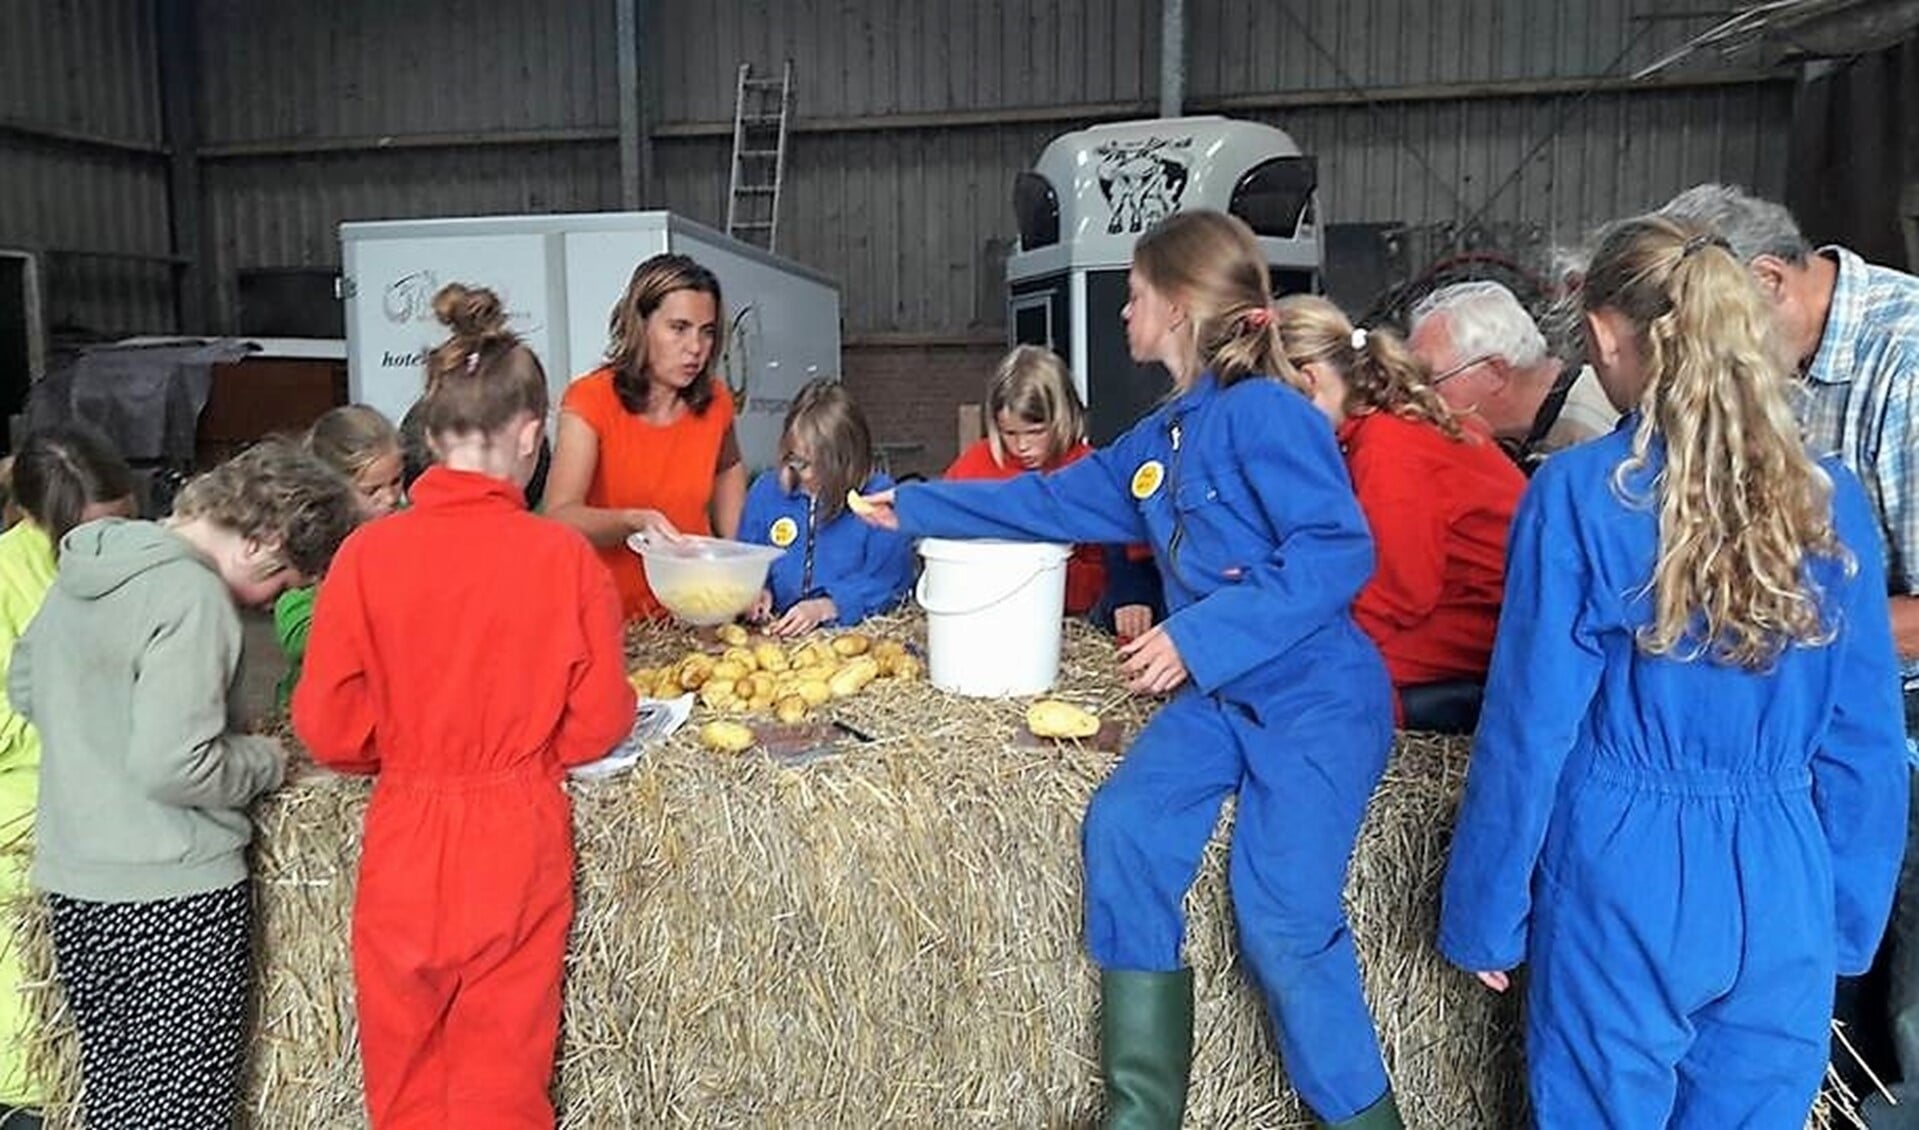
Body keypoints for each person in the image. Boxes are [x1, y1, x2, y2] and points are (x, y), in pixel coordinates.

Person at [855, 210, 1401, 1129]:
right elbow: (1045, 500)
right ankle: (1142, 1110)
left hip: (1313, 701)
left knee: (1281, 916)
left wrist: (1199, 636)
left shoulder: (1268, 413)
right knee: (1126, 828)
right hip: (1220, 703)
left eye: (1135, 296)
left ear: (1179, 309)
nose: (1123, 313)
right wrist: (911, 505)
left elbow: (1335, 550)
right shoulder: (1160, 440)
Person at [1438, 216, 1909, 1128]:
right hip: (1783, 869)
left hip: (1624, 861)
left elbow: (1531, 729)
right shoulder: (1826, 498)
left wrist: (1486, 910)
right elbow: (1864, 737)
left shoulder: (1576, 493)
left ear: (1610, 336)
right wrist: (1844, 913)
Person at [292, 283, 635, 1129]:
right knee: (502, 1076)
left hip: (405, 831)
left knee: (405, 1073)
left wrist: (411, 748)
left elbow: (329, 731)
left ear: (434, 439)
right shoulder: (561, 561)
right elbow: (599, 723)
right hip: (515, 833)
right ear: (530, 434)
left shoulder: (366, 558)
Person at [1661, 183, 1919, 1121]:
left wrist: (1758, 633)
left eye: (1692, 312)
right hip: (1788, 724)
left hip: (1896, 722)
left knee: (1887, 1012)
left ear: (1765, 281)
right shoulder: (1764, 372)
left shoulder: (1907, 362)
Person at [12, 438, 357, 1128]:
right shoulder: (192, 597)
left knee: (118, 1098)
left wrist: (101, 730)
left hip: (80, 885)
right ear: (262, 541)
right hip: (172, 892)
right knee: (186, 1108)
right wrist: (261, 757)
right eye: (283, 582)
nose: (270, 602)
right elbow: (175, 763)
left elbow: (25, 684)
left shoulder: (93, 561)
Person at [1277, 295, 1524, 735]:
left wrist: (1319, 641)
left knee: (1301, 679)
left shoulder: (1389, 446)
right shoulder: (1382, 420)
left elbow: (1401, 590)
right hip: (1462, 600)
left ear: (1309, 382)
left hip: (1486, 619)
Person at [0, 428, 135, 1129]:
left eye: (122, 528)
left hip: (113, 831)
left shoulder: (135, 570)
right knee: (35, 1044)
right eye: (91, 536)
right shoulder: (4, 583)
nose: (112, 552)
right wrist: (92, 719)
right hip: (26, 836)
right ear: (41, 522)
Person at [546, 253, 746, 620]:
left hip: (691, 614)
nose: (696, 348)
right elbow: (560, 517)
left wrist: (739, 561)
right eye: (679, 328)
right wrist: (633, 521)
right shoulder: (591, 399)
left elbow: (728, 468)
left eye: (707, 331)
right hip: (608, 618)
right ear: (640, 324)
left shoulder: (716, 401)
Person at [945, 346, 1163, 635]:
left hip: (1077, 615)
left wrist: (1130, 593)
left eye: (1035, 432)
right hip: (989, 613)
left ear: (1062, 418)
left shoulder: (1089, 469)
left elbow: (1125, 548)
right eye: (1010, 433)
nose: (1022, 446)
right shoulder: (974, 466)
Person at [740, 379, 913, 637]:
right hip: (777, 634)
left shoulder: (878, 499)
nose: (805, 476)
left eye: (817, 465)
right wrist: (756, 590)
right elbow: (747, 557)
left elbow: (889, 581)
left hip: (853, 636)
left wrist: (828, 606)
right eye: (796, 461)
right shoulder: (767, 491)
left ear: (846, 462)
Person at [272, 405, 404, 710]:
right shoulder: (311, 541)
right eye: (371, 490)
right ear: (330, 489)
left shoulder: (411, 525)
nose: (390, 498)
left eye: (396, 481)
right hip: (322, 706)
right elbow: (298, 636)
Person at [1407, 280, 1617, 472]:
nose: (1418, 400)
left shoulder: (1588, 432)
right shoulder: (1540, 430)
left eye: (1431, 381)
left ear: (1494, 373)